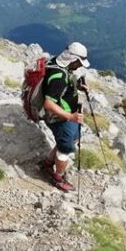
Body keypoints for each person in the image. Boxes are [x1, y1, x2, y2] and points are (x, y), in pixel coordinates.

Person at [41, 42, 90, 192]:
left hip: (69, 115)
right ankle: (58, 177)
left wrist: (78, 86)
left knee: (73, 139)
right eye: (79, 62)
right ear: (73, 59)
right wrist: (70, 116)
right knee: (65, 149)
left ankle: (48, 163)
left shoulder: (58, 63)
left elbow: (62, 87)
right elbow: (48, 104)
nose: (79, 66)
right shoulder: (59, 77)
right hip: (61, 118)